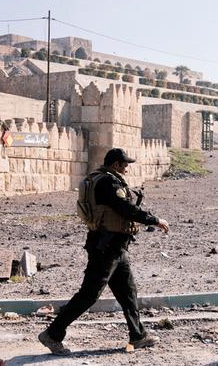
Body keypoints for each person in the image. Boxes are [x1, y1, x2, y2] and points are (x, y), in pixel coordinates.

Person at [38, 148, 170, 355]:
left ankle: (138, 335)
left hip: (115, 247)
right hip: (106, 248)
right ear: (116, 164)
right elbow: (125, 208)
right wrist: (154, 220)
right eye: (124, 165)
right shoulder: (108, 182)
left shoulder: (99, 179)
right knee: (89, 294)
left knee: (128, 293)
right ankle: (52, 334)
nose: (126, 169)